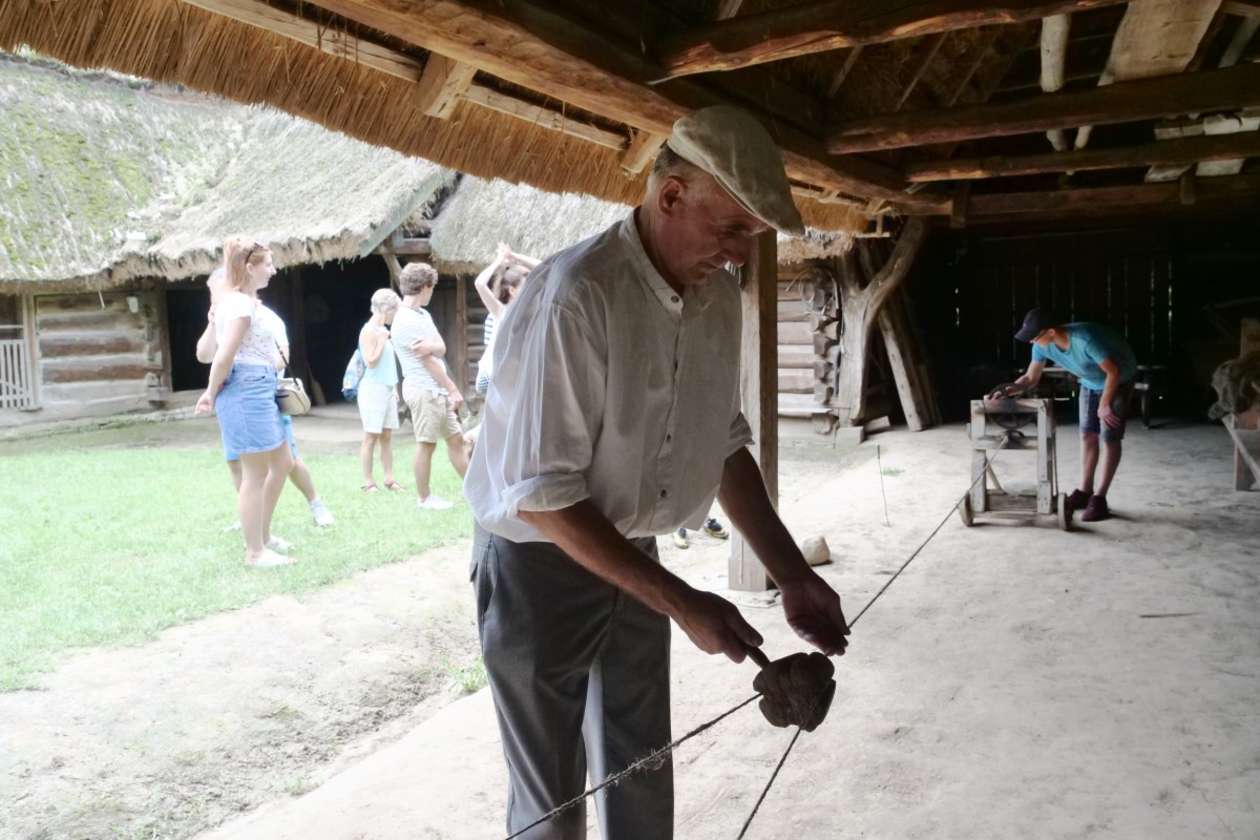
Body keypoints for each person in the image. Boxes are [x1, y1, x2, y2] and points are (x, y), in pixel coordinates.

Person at [464, 106, 850, 840]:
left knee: (642, 762)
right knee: (551, 797)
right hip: (536, 565)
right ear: (671, 195)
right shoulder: (578, 294)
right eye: (731, 229)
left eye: (753, 239)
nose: (740, 256)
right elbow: (544, 498)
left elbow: (722, 443)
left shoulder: (714, 303)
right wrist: (681, 601)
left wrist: (790, 572)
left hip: (631, 552)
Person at [197, 268, 334, 531]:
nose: (215, 301)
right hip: (237, 399)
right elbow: (204, 355)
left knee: (288, 462)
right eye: (212, 297)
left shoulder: (265, 317)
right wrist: (213, 323)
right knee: (237, 463)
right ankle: (252, 519)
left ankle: (315, 503)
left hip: (264, 397)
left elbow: (280, 357)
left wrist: (240, 360)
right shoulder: (224, 316)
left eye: (217, 294)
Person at [195, 238, 298, 568]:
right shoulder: (238, 304)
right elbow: (222, 356)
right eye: (267, 263)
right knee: (254, 474)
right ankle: (255, 552)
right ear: (249, 268)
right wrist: (210, 392)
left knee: (282, 463)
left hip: (261, 386)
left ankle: (263, 537)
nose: (273, 269)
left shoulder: (246, 303)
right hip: (246, 388)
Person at [1006, 308, 1138, 522]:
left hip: (1119, 378)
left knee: (1109, 437)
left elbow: (1113, 372)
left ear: (1050, 332)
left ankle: (1099, 498)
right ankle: (1084, 491)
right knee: (1087, 435)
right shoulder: (1042, 346)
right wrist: (1006, 391)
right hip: (1090, 381)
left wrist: (1104, 404)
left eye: (1034, 338)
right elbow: (1031, 378)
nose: (1031, 342)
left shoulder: (1084, 340)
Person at [390, 262, 468, 510]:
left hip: (437, 389)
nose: (432, 292)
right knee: (427, 444)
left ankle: (474, 490)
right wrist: (453, 388)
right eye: (431, 287)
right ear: (424, 287)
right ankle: (424, 498)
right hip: (424, 389)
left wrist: (433, 346)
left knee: (456, 440)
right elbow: (429, 363)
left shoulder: (423, 315)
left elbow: (440, 347)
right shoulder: (404, 320)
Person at [473, 242, 539, 397]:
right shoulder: (501, 312)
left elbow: (546, 268)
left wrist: (515, 256)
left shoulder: (532, 311)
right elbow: (480, 283)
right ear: (512, 290)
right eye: (526, 286)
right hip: (493, 376)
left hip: (514, 377)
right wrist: (498, 261)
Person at [357, 288, 404, 492]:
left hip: (387, 388)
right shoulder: (369, 330)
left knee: (387, 436)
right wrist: (383, 339)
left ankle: (389, 479)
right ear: (386, 309)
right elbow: (371, 361)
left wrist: (394, 388)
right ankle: (368, 482)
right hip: (372, 389)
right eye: (395, 311)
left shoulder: (382, 329)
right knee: (371, 437)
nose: (396, 316)